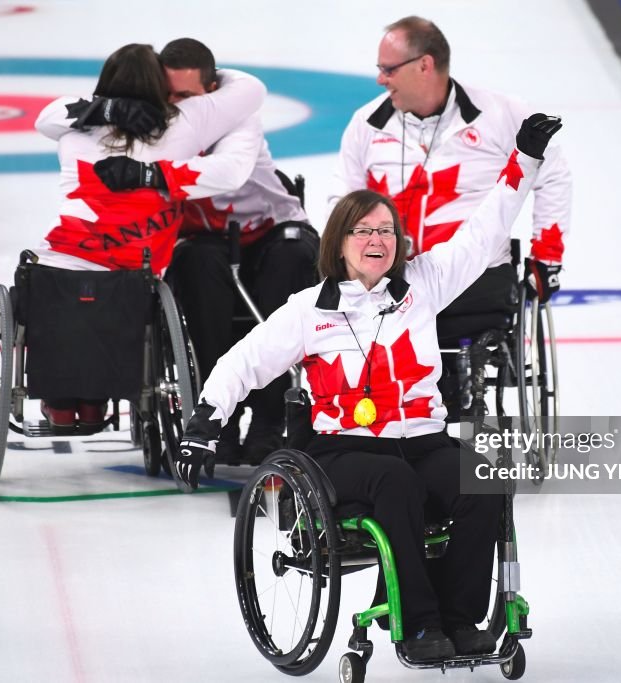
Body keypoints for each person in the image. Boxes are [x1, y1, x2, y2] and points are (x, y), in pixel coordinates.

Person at [175, 114, 563, 661]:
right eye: (364, 231)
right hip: (344, 452)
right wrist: (203, 425)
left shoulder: (424, 285)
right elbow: (243, 363)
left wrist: (523, 160)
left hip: (423, 440)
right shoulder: (309, 311)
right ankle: (418, 628)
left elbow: (485, 232)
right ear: (340, 244)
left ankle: (459, 619)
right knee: (393, 479)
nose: (377, 240)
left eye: (386, 230)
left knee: (485, 481)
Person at [329, 16, 572, 416]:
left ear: (424, 66)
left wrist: (547, 256)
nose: (379, 80)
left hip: (473, 275)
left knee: (423, 320)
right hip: (392, 276)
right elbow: (341, 201)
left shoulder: (502, 114)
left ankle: (448, 415)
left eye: (388, 70)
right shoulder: (366, 125)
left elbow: (554, 174)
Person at [31, 43, 266, 430]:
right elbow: (252, 90)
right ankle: (93, 401)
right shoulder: (184, 123)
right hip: (134, 269)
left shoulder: (74, 134)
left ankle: (61, 399)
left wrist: (103, 110)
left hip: (63, 262)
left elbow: (47, 118)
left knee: (57, 283)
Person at [158, 38, 320, 465]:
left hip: (271, 230)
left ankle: (269, 420)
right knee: (194, 261)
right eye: (169, 97)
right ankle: (218, 420)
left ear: (212, 91)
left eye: (187, 98)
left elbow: (226, 175)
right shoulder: (153, 124)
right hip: (207, 241)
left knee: (289, 261)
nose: (178, 108)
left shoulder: (238, 119)